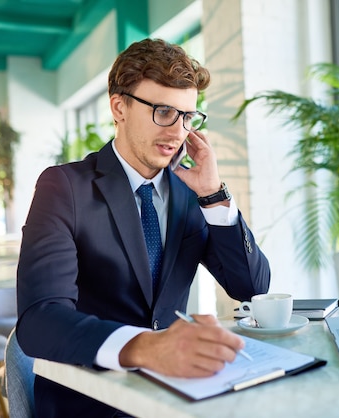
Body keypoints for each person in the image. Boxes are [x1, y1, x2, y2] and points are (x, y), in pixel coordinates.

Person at [16, 38, 271, 417]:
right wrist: (147, 347)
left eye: (187, 117)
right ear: (119, 107)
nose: (177, 132)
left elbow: (251, 287)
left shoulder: (191, 192)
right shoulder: (64, 187)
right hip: (91, 401)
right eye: (164, 112)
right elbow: (40, 321)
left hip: (177, 398)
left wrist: (215, 195)